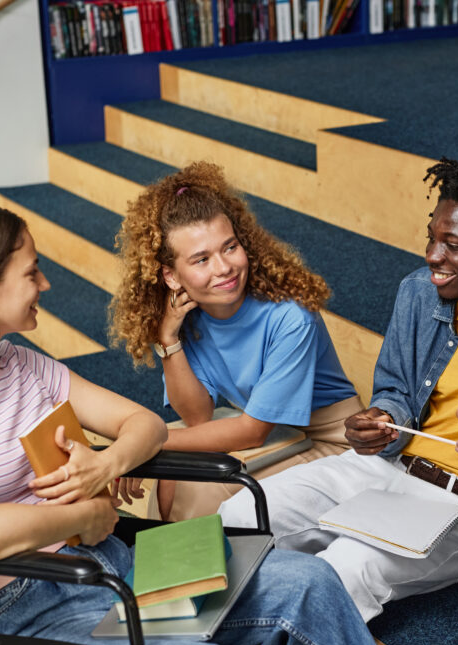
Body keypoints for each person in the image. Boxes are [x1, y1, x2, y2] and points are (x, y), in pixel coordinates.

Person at [0, 203, 396, 645]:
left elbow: (145, 423)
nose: (45, 282)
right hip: (32, 602)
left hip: (118, 564)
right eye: (31, 272)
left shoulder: (21, 364)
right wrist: (85, 517)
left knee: (311, 584)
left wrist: (105, 468)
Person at [220, 153, 458, 621]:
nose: (432, 256)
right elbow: (396, 391)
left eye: (451, 245)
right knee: (241, 513)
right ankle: (210, 642)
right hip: (386, 467)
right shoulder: (418, 291)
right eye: (432, 237)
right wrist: (384, 418)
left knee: (345, 566)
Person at [110, 162, 362, 521]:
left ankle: (192, 571)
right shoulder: (190, 317)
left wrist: (139, 445)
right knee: (173, 470)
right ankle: (175, 565)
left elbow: (252, 431)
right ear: (170, 275)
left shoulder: (290, 316)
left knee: (195, 482)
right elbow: (197, 415)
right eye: (201, 259)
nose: (223, 268)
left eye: (229, 247)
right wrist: (168, 339)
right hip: (278, 433)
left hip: (330, 442)